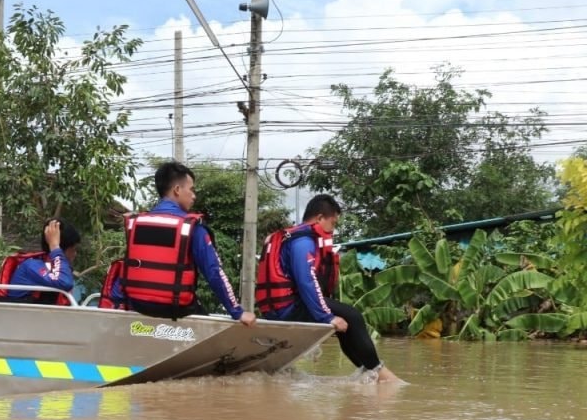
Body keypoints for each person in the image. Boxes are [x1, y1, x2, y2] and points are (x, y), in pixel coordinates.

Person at [256, 194, 400, 383]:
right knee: (353, 315)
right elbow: (307, 281)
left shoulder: (294, 237)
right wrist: (327, 316)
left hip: (279, 307)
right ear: (319, 218)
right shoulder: (303, 241)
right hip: (288, 308)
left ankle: (369, 371)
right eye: (333, 223)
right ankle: (379, 372)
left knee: (345, 325)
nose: (333, 230)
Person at [101, 161, 256, 326]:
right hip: (175, 309)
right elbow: (214, 272)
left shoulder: (136, 224)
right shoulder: (192, 228)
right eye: (191, 189)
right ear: (177, 190)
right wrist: (237, 312)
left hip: (137, 306)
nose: (194, 196)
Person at [0, 218, 81, 305]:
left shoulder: (52, 268)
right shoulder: (31, 266)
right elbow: (65, 282)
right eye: (73, 250)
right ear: (61, 250)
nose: (75, 254)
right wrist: (55, 247)